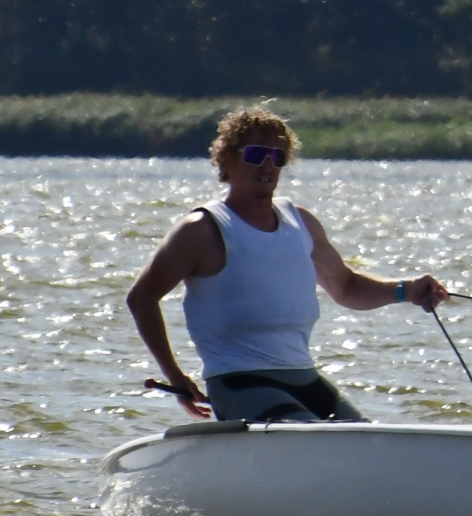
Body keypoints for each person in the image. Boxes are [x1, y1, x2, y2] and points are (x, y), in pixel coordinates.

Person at [126, 103, 449, 424]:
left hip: (304, 379)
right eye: (256, 154)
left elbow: (347, 287)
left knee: (368, 438)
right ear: (228, 159)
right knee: (314, 437)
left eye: (277, 156)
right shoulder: (201, 230)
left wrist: (406, 290)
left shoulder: (301, 222)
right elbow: (141, 298)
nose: (268, 165)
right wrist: (175, 376)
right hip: (239, 383)